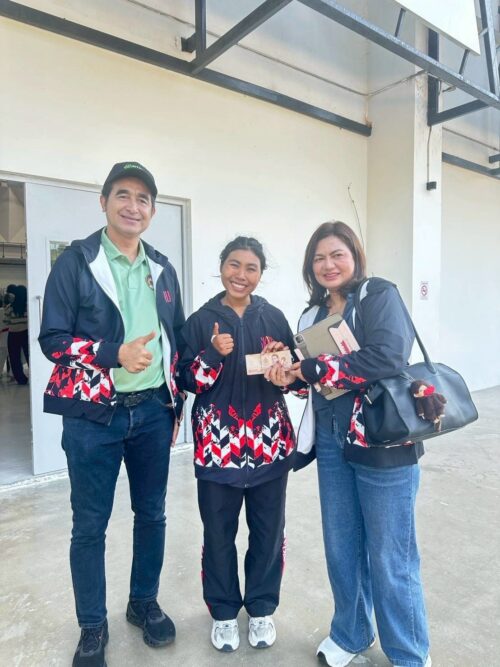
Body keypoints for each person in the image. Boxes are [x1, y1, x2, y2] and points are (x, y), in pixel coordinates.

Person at [39, 161, 185, 667]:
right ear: (103, 202)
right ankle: (92, 626)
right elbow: (52, 341)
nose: (133, 206)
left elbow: (175, 338)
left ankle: (143, 602)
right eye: (123, 195)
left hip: (152, 412)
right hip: (92, 418)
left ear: (152, 211)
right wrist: (112, 354)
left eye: (143, 199)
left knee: (152, 514)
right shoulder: (76, 262)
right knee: (89, 526)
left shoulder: (161, 267)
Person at [266, 221, 431, 667]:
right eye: (319, 258)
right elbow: (312, 381)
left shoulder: (378, 295)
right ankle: (351, 632)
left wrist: (318, 368)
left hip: (382, 439)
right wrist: (289, 376)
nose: (328, 264)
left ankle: (409, 653)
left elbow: (388, 355)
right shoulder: (310, 316)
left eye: (337, 254)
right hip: (331, 440)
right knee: (341, 545)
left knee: (391, 554)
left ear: (355, 256)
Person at [177, 236, 300, 653]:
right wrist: (213, 354)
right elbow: (187, 380)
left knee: (268, 532)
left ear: (261, 274)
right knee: (218, 534)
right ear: (221, 266)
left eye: (251, 268)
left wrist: (284, 369)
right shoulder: (201, 321)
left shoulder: (274, 318)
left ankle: (262, 608)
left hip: (270, 446)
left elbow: (298, 382)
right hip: (218, 449)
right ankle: (224, 613)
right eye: (234, 264)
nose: (241, 275)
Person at [5, 284, 29, 384]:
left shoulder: (9, 308)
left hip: (13, 334)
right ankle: (36, 376)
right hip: (26, 333)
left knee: (14, 358)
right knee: (29, 356)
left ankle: (21, 379)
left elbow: (6, 322)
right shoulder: (28, 307)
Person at [0, 293, 9, 377]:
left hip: (3, 335)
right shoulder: (6, 310)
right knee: (10, 355)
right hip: (8, 334)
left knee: (2, 355)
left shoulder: (2, 310)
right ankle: (12, 373)